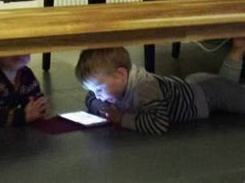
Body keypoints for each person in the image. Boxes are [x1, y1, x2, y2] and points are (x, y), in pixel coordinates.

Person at [75, 39, 245, 134]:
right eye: (93, 90)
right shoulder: (113, 86)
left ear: (121, 75)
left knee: (230, 90)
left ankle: (237, 52)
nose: (96, 95)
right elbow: (90, 99)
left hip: (209, 96)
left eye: (98, 89)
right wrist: (103, 108)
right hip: (192, 85)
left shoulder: (144, 88)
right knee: (223, 82)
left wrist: (120, 118)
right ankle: (236, 53)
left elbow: (158, 123)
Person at [0, 54, 47, 127]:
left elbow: (35, 95)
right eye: (13, 48)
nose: (20, 54)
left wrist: (39, 106)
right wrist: (24, 116)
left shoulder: (25, 73)